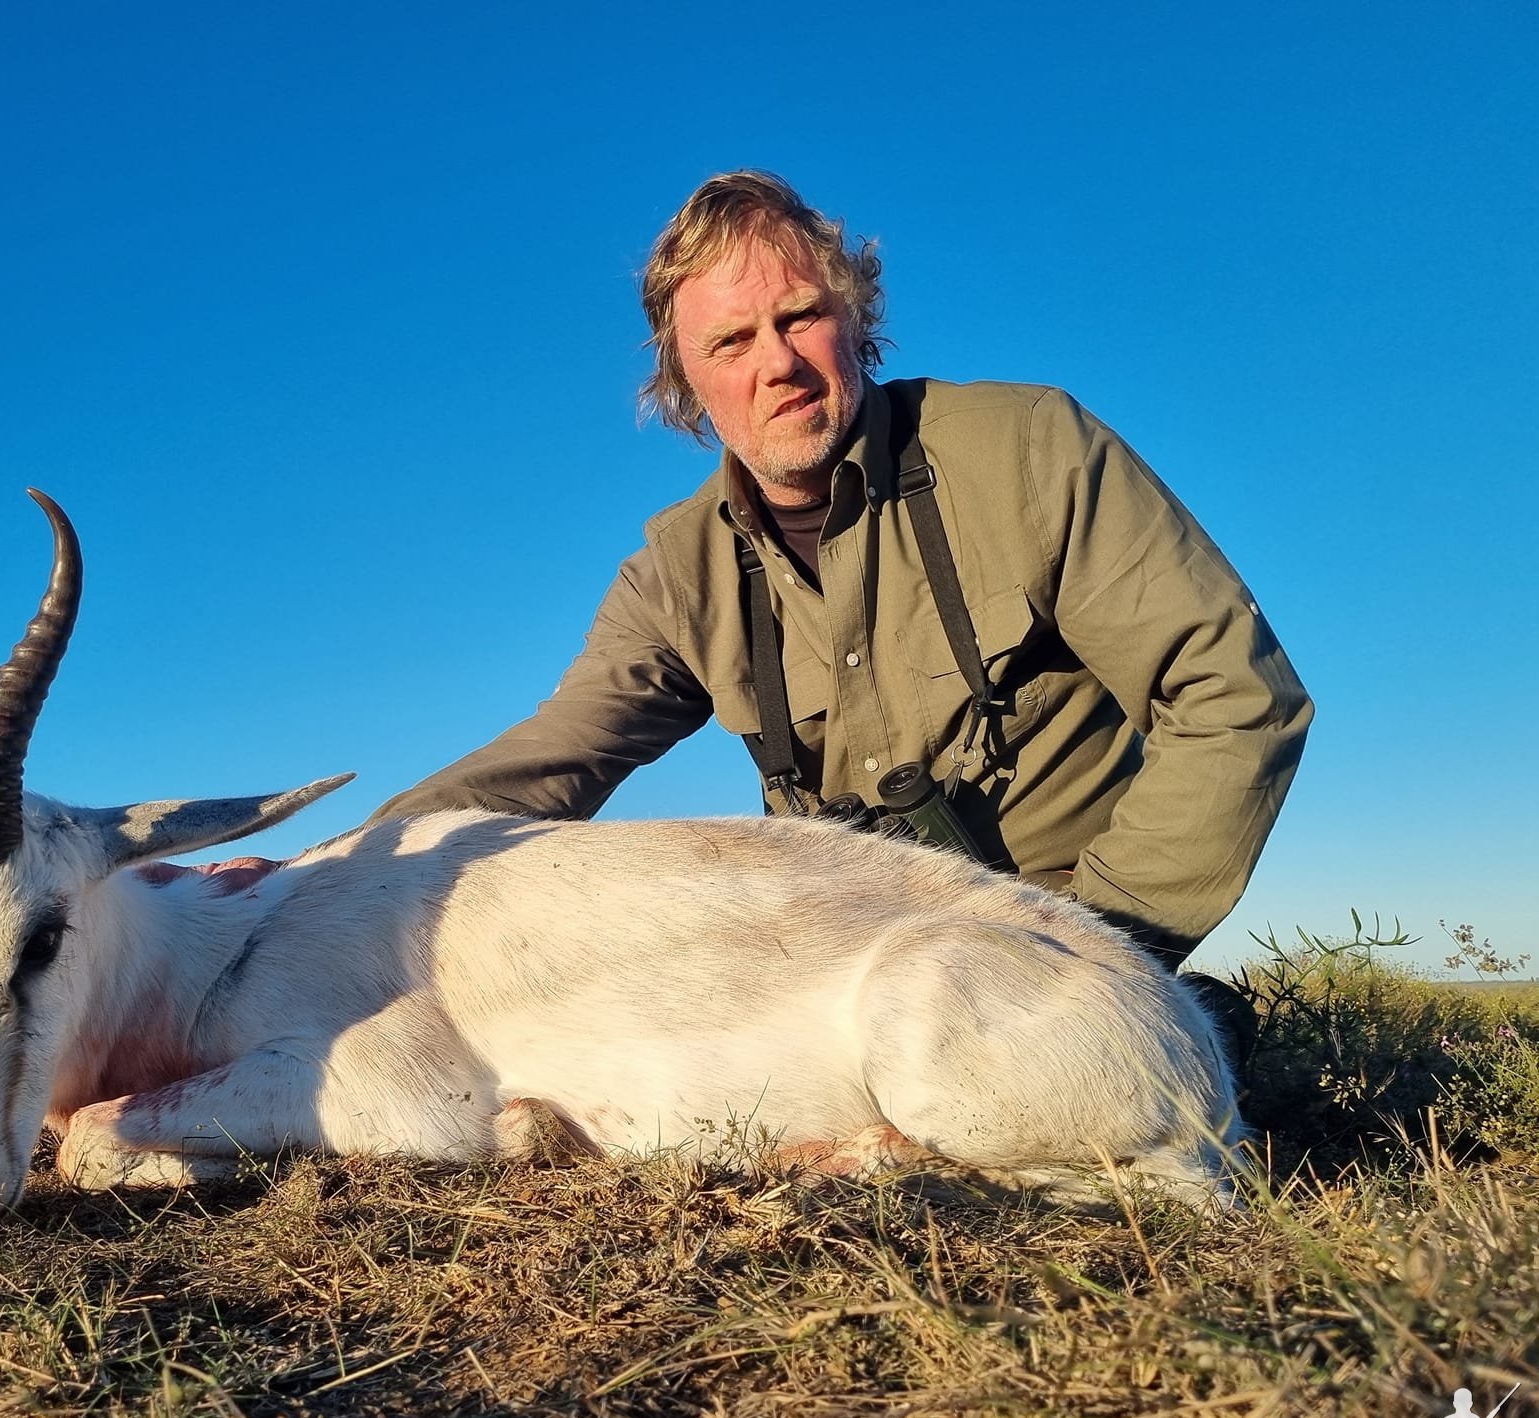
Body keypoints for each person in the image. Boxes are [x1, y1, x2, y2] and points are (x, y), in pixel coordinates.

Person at [373, 170, 1312, 970]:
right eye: (730, 342)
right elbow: (551, 763)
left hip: (1058, 958)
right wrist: (332, 868)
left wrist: (1099, 955)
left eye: (801, 316)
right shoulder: (675, 573)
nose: (776, 363)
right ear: (684, 384)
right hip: (842, 975)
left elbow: (1232, 696)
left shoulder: (1027, 448)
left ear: (855, 321)